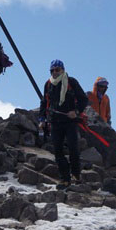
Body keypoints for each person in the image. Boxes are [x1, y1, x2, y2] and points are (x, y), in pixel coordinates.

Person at [38, 59, 88, 190]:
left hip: (70, 121)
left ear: (63, 70)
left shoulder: (71, 82)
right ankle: (65, 179)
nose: (54, 72)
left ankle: (76, 175)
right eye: (52, 70)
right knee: (58, 151)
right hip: (55, 121)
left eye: (57, 70)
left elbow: (83, 99)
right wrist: (41, 119)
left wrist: (76, 111)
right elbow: (44, 103)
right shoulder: (48, 84)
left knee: (73, 148)